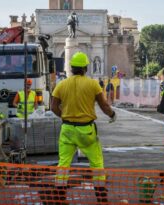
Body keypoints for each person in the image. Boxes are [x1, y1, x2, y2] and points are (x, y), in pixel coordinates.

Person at [49, 52, 116, 203]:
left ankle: (60, 196)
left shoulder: (62, 85)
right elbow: (104, 105)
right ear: (86, 68)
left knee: (63, 163)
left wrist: (66, 116)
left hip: (67, 130)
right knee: (97, 162)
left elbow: (53, 107)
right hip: (86, 131)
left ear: (71, 68)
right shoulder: (92, 84)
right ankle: (101, 197)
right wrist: (112, 115)